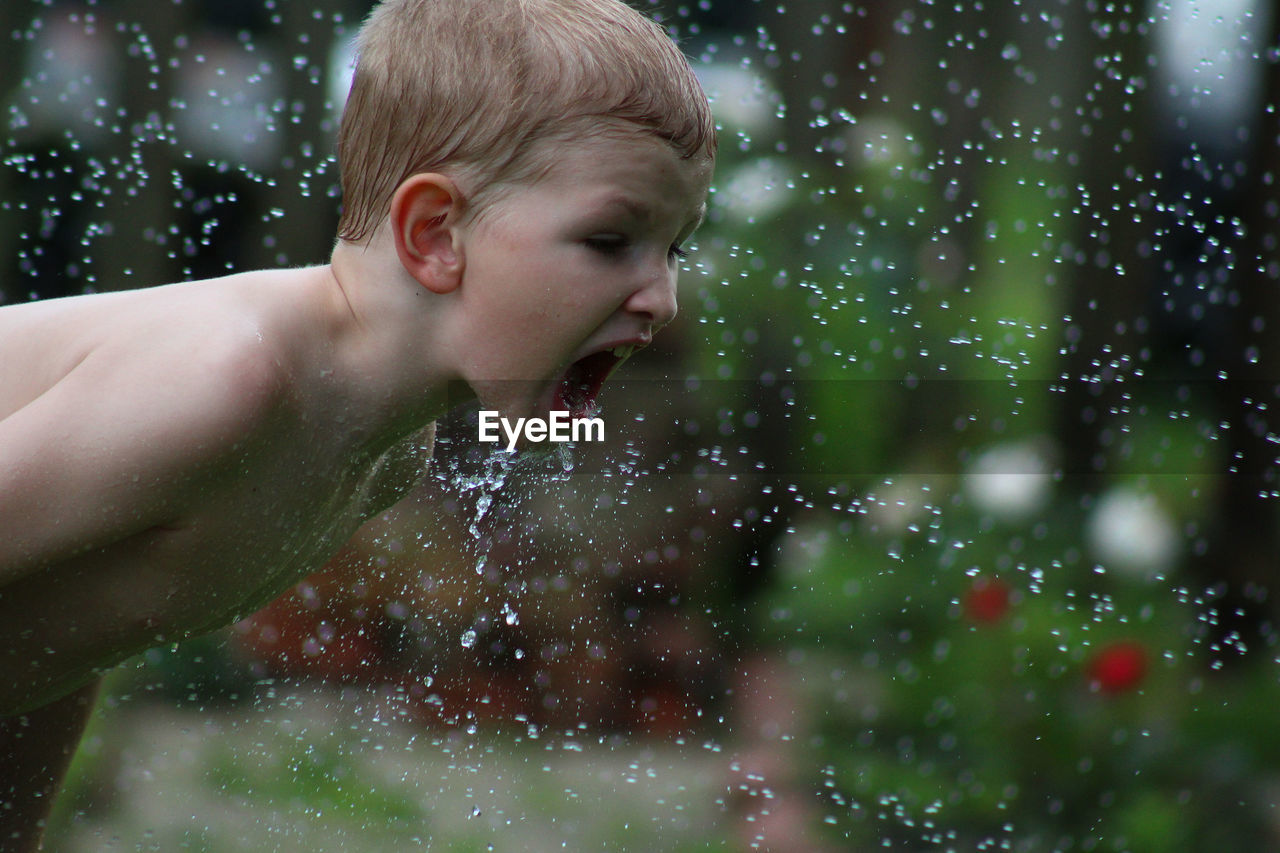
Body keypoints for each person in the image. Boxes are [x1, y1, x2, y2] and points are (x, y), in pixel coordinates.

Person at [0, 0, 716, 846]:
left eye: (674, 249)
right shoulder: (225, 383)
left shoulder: (384, 452)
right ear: (436, 232)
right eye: (610, 239)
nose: (661, 300)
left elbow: (50, 641)